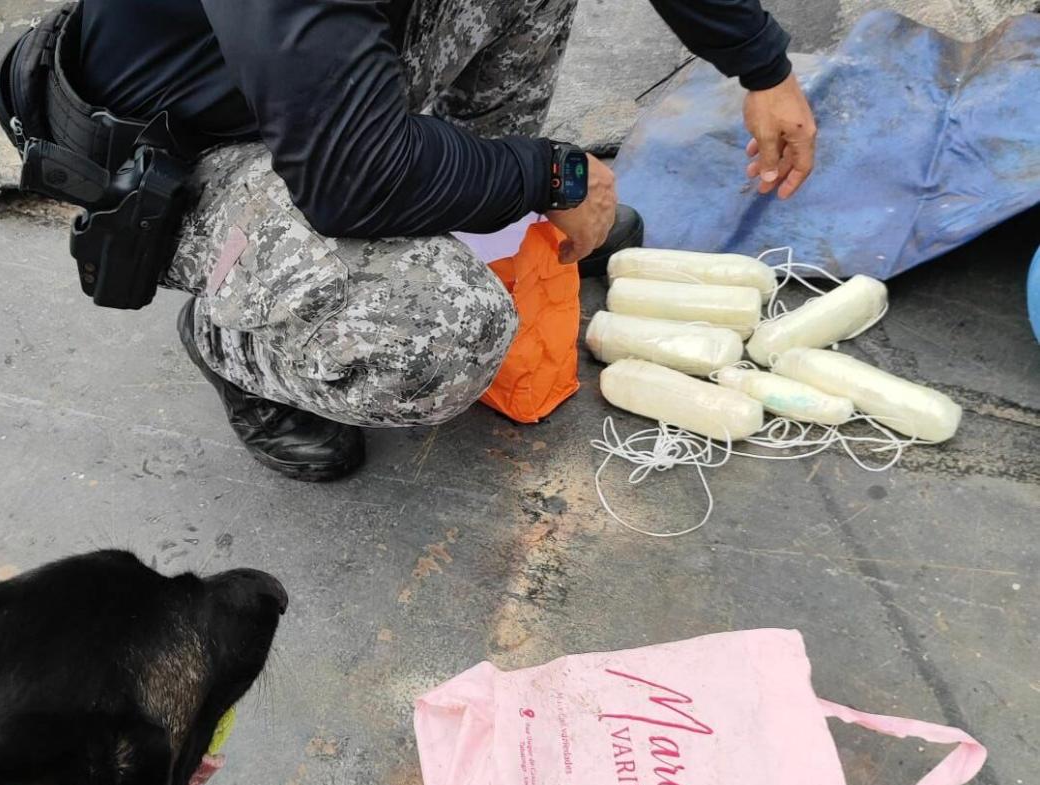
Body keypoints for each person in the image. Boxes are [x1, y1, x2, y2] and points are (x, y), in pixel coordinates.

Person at [73, 0, 817, 482]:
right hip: (174, 158)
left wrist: (762, 64)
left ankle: (468, 222)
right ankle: (231, 336)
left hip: (316, 94)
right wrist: (551, 174)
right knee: (442, 333)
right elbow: (350, 177)